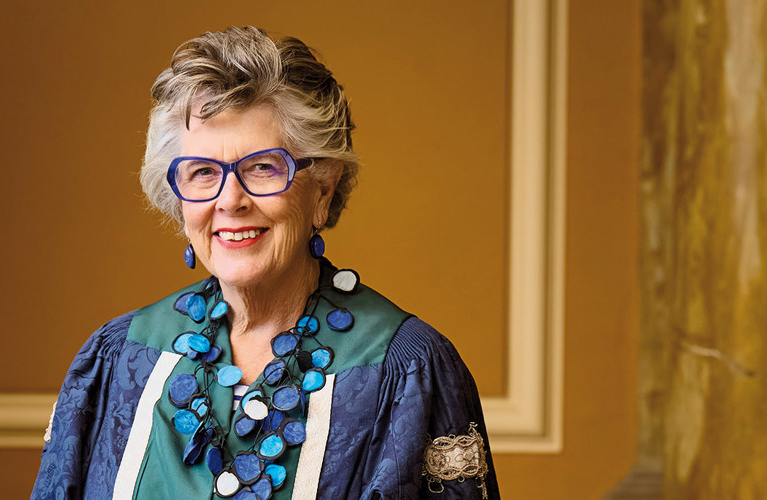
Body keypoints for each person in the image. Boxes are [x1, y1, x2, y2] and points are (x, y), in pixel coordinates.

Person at [34, 26, 500, 499]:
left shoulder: (407, 369)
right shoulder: (120, 358)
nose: (229, 200)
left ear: (323, 189)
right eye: (203, 172)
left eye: (262, 167)